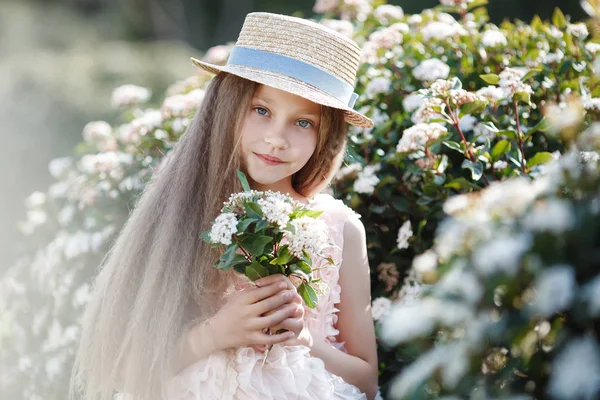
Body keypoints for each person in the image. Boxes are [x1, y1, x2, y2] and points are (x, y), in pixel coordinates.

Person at [70, 11, 378, 400]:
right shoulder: (185, 209)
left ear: (327, 134)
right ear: (228, 106)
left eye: (304, 123)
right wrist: (216, 333)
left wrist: (302, 339)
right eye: (261, 110)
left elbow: (367, 381)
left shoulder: (340, 228)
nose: (276, 139)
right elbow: (123, 370)